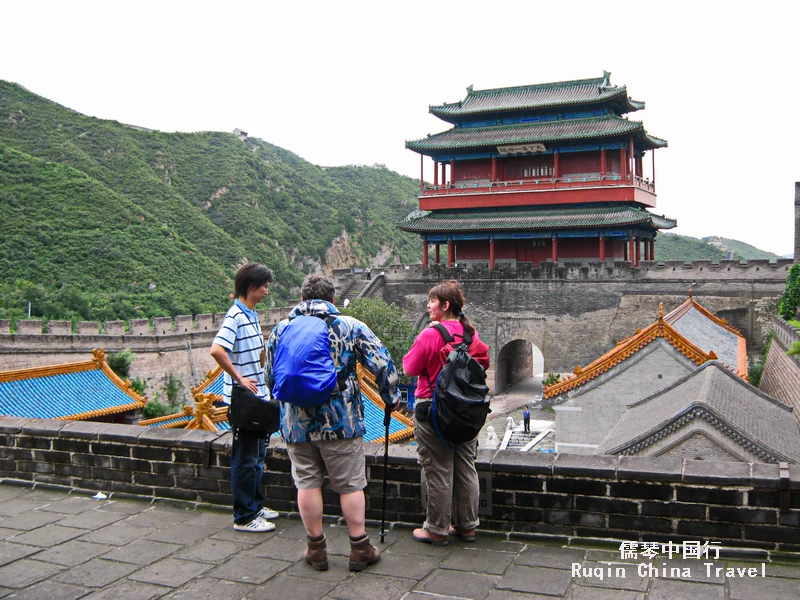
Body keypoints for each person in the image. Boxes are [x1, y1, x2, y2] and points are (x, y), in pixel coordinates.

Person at [266, 275, 400, 571]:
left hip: (295, 423)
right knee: (350, 484)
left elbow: (270, 378)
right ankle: (359, 548)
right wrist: (391, 398)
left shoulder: (281, 329)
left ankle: (316, 549)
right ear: (332, 300)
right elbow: (383, 364)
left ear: (302, 299)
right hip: (342, 420)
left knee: (307, 482)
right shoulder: (349, 326)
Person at [402, 280, 490, 546]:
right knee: (466, 466)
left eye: (431, 301)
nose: (428, 306)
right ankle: (466, 526)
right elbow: (482, 362)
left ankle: (437, 529)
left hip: (433, 410)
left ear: (445, 305)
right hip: (465, 410)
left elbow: (409, 368)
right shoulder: (469, 334)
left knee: (438, 468)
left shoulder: (431, 334)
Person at [210, 263, 280, 533]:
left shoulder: (250, 314)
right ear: (251, 287)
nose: (266, 290)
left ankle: (256, 506)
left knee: (258, 455)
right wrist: (239, 378)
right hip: (244, 400)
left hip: (258, 397)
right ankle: (244, 516)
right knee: (246, 457)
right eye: (263, 286)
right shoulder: (235, 316)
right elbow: (217, 350)